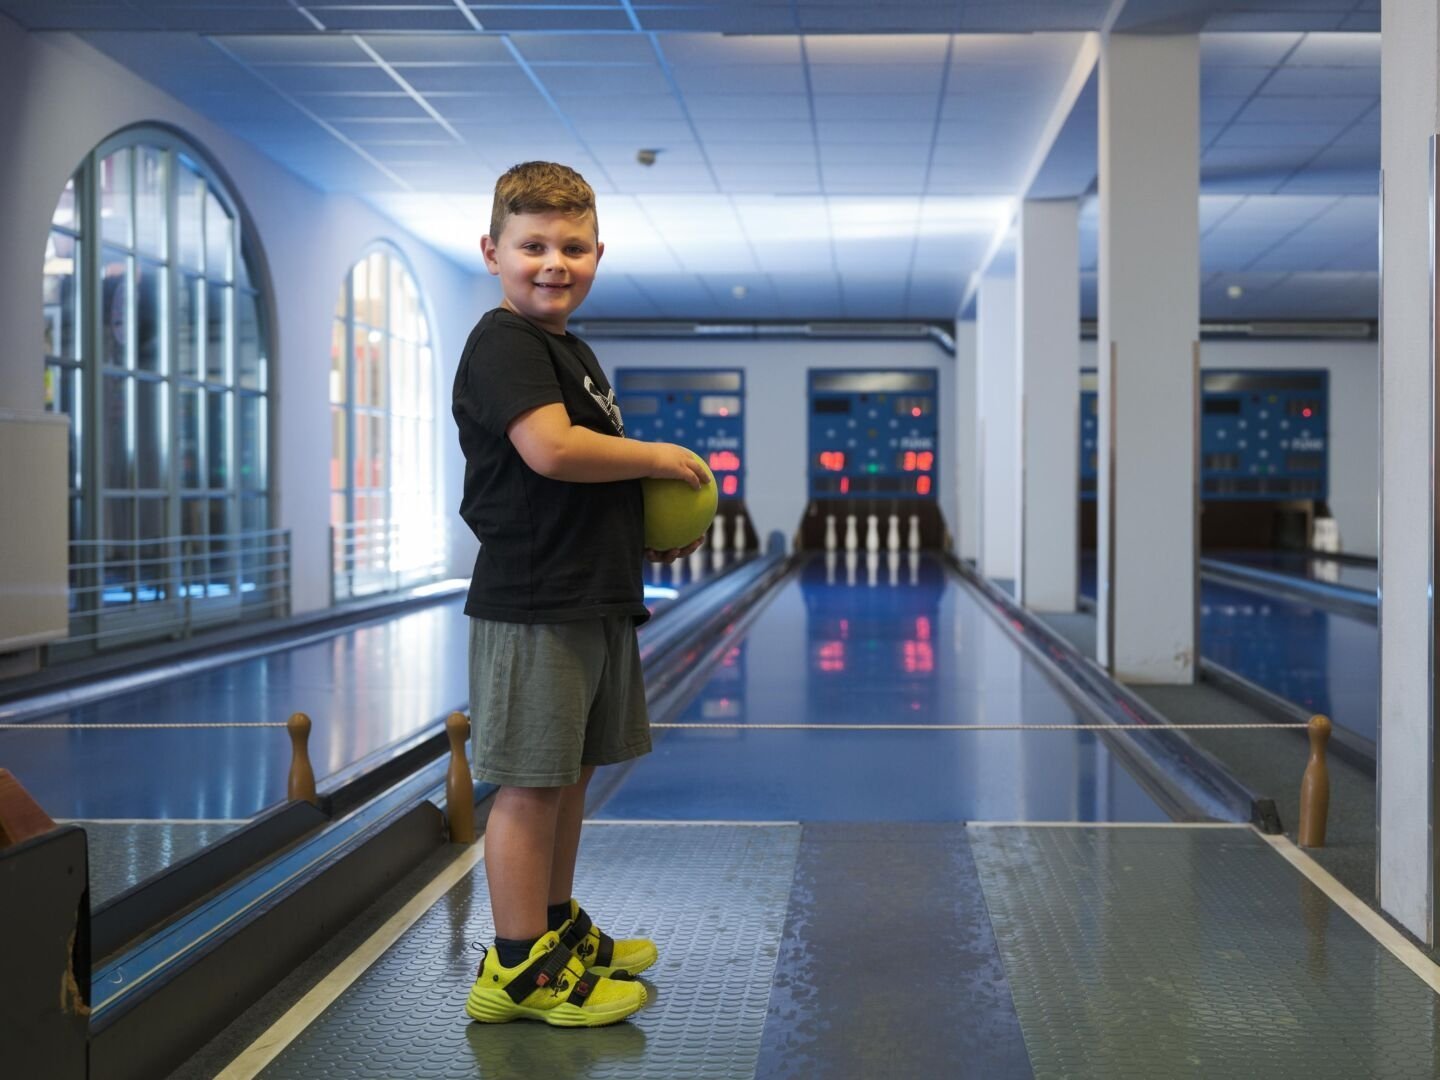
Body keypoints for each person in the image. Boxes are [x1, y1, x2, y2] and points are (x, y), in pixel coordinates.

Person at [452, 161, 708, 1027]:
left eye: (572, 245)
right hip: (533, 602)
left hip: (590, 593)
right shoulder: (505, 343)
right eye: (533, 245)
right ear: (493, 251)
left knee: (565, 781)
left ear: (599, 252)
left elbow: (580, 482)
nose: (553, 262)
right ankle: (517, 968)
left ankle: (554, 930)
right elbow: (553, 452)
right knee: (528, 786)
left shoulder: (569, 349)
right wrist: (659, 458)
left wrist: (641, 526)